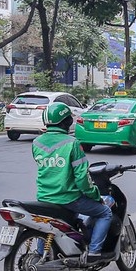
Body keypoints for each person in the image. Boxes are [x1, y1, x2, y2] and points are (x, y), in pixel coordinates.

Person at [32, 101, 113, 260]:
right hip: (68, 198)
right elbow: (82, 179)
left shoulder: (36, 143)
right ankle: (94, 251)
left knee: (46, 224)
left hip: (44, 197)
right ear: (67, 122)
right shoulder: (72, 143)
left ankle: (42, 253)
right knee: (105, 213)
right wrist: (96, 196)